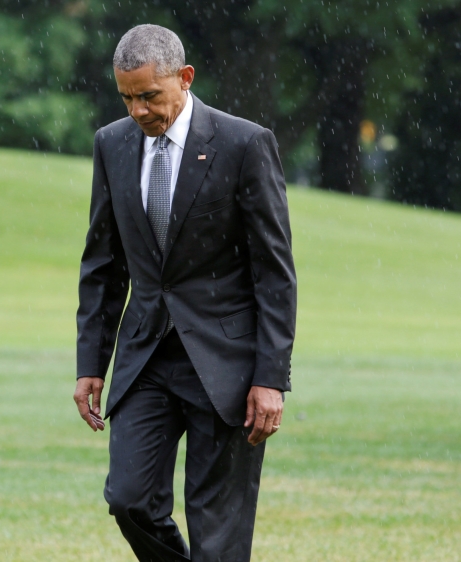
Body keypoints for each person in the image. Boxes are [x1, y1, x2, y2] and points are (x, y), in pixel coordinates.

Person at [73, 23, 297, 561]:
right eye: (127, 97)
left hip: (226, 364)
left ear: (186, 78)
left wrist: (270, 378)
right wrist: (91, 364)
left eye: (150, 95)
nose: (138, 110)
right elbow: (103, 264)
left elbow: (274, 272)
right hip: (145, 358)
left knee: (217, 534)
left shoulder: (244, 144)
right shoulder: (111, 144)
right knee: (129, 500)